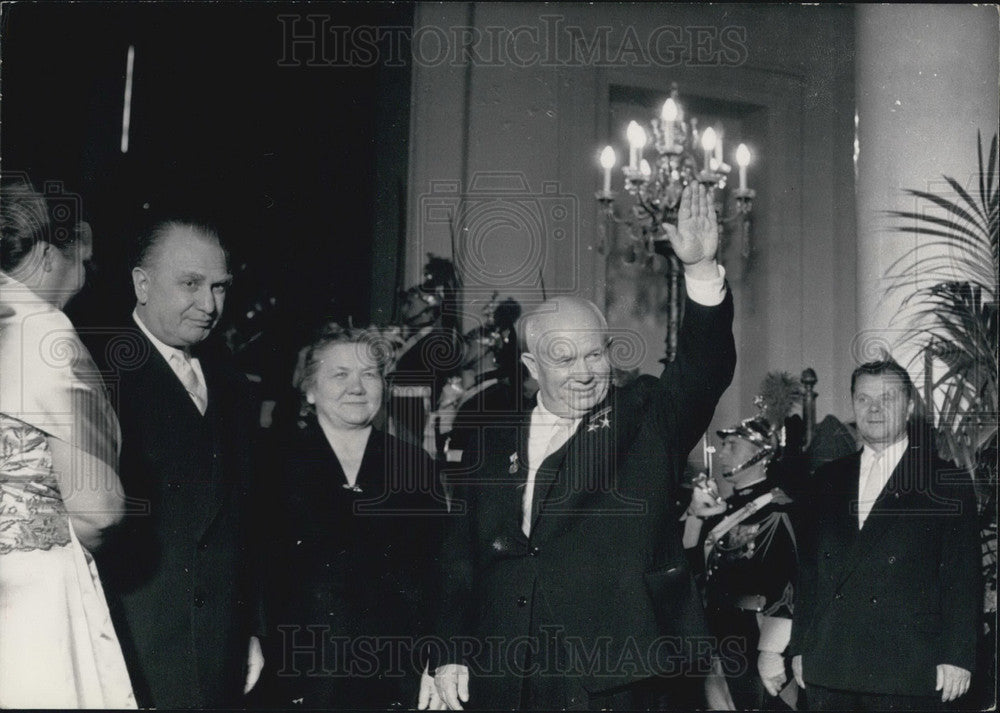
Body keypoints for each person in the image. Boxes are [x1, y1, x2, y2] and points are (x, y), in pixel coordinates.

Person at [421, 183, 736, 710]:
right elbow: (459, 559)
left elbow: (703, 371)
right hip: (502, 674)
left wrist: (702, 273)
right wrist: (448, 649)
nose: (586, 373)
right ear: (531, 369)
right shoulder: (491, 444)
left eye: (595, 355)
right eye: (565, 360)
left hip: (612, 676)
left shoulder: (644, 418)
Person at [92, 219, 264, 708]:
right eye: (190, 284)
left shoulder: (234, 387)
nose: (209, 306)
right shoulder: (97, 373)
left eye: (220, 287)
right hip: (129, 647)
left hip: (218, 653)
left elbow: (247, 523)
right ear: (141, 284)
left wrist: (251, 628)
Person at [259, 324, 447, 709]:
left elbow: (440, 571)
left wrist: (438, 658)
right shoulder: (273, 463)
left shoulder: (412, 464)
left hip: (395, 677)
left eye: (369, 375)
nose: (357, 387)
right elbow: (251, 570)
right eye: (340, 375)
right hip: (299, 672)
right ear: (310, 389)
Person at [0, 177, 136, 708]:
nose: (88, 273)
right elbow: (98, 508)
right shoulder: (43, 331)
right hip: (29, 593)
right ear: (49, 252)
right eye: (85, 257)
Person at [788, 359, 980, 710]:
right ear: (853, 404)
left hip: (908, 667)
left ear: (908, 407)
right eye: (863, 399)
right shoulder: (827, 479)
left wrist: (958, 656)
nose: (874, 408)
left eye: (887, 398)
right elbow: (809, 573)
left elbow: (963, 576)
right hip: (830, 663)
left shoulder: (943, 481)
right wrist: (800, 646)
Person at [683, 416, 798, 710]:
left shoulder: (777, 510)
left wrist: (771, 650)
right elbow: (689, 566)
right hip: (717, 634)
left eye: (732, 445)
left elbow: (787, 585)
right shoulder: (727, 509)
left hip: (753, 637)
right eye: (722, 445)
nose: (722, 453)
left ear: (762, 455)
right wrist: (695, 516)